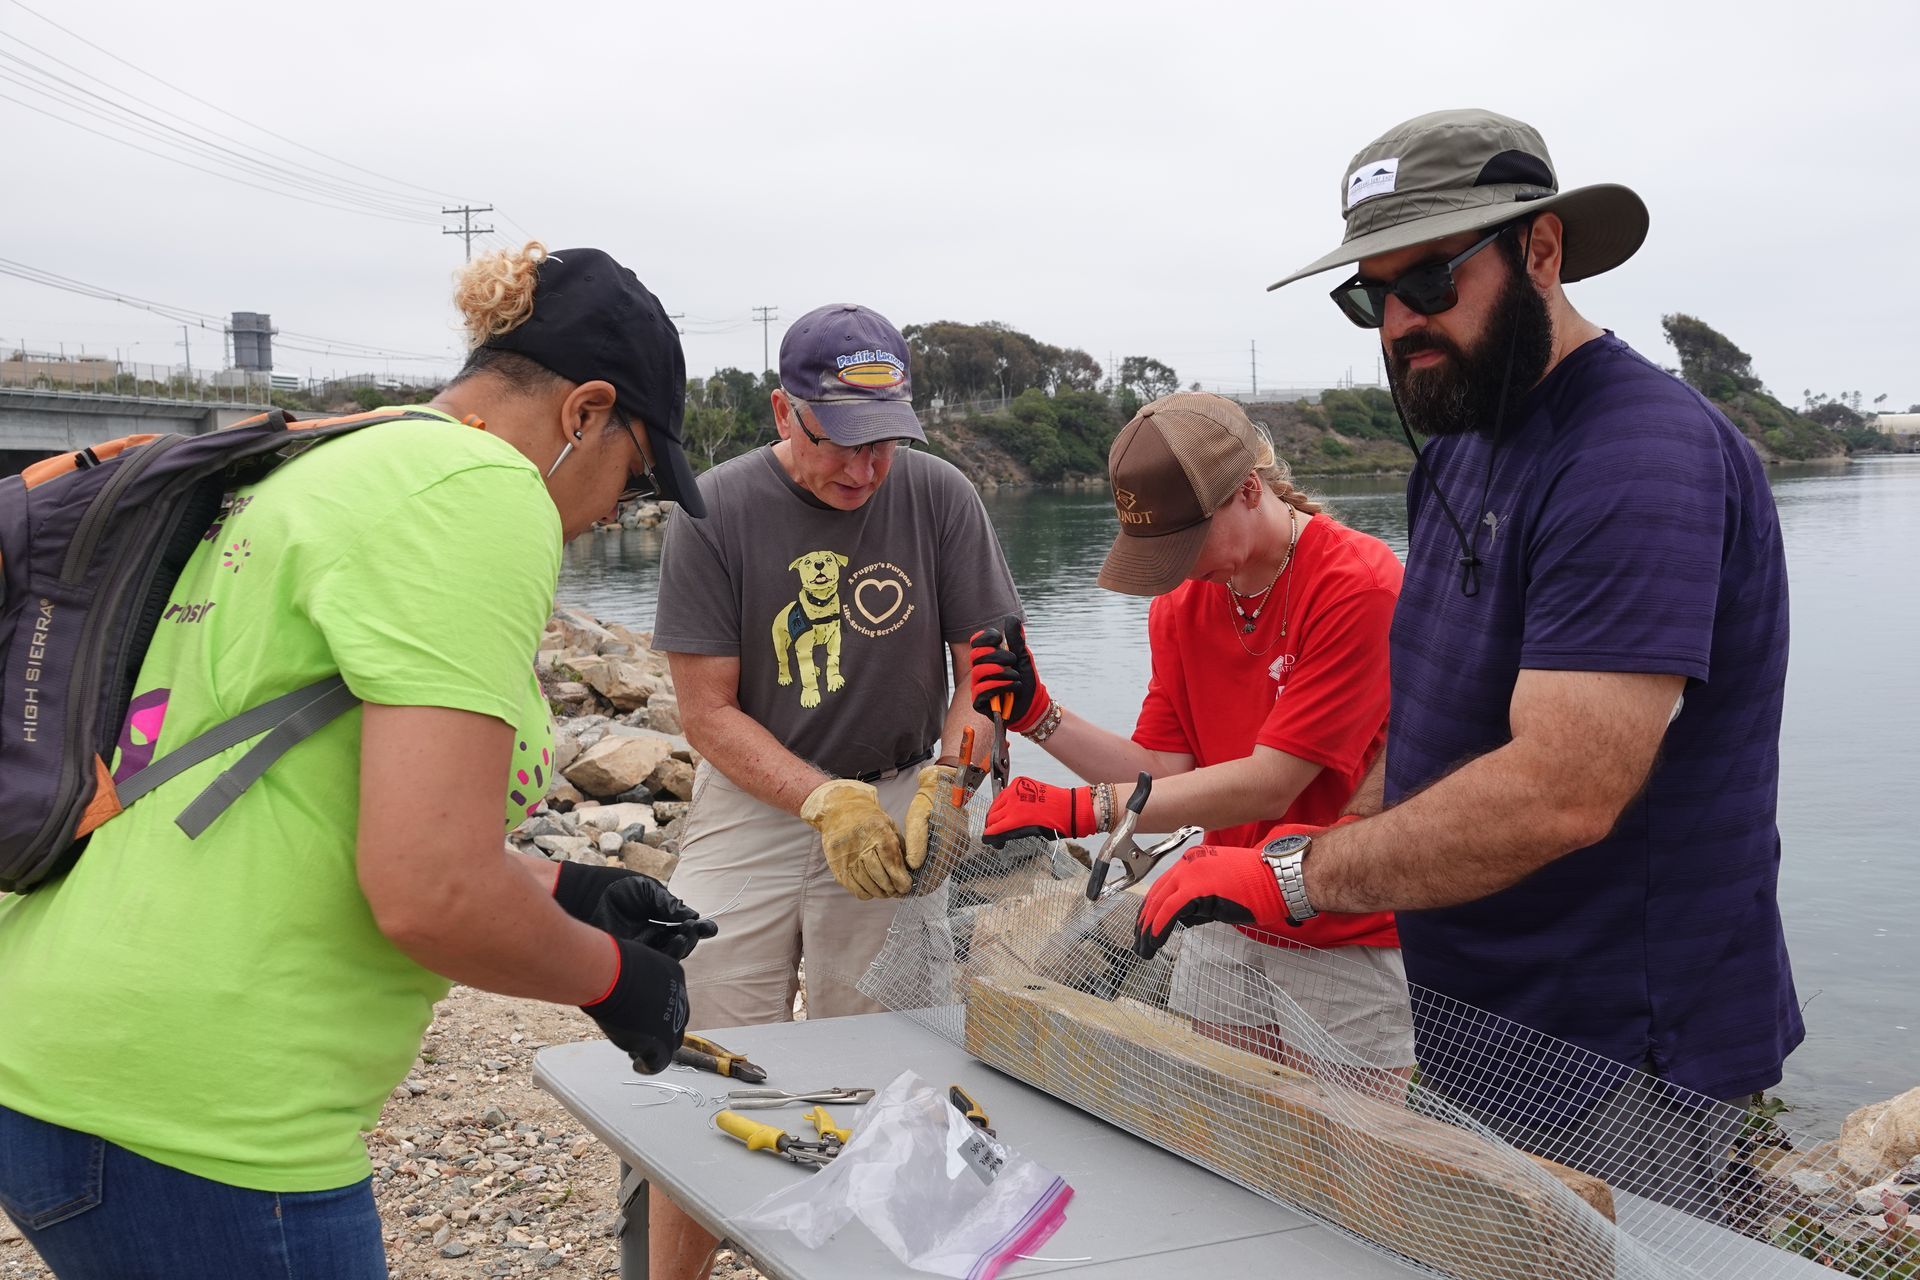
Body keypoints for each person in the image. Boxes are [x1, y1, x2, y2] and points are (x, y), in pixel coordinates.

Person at [0, 242, 714, 1279]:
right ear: (585, 412)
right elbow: (430, 893)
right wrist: (613, 981)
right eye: (636, 469)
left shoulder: (323, 459)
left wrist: (566, 885)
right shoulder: (477, 488)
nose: (617, 507)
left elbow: (290, 791)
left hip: (66, 1045)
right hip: (204, 1107)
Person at [1135, 109, 1800, 1205]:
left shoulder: (1638, 455)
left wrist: (1287, 873)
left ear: (1541, 250)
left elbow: (1562, 789)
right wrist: (1313, 846)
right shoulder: (1458, 446)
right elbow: (1429, 729)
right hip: (1470, 1013)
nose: (1400, 322)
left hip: (1621, 1048)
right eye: (1371, 295)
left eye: (1432, 280)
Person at [649, 302, 1021, 1278]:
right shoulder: (714, 509)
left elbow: (990, 664)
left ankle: (881, 1262)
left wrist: (955, 776)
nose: (863, 469)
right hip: (754, 802)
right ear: (784, 412)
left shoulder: (940, 497)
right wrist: (820, 798)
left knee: (891, 1068)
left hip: (902, 786)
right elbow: (706, 711)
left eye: (884, 445)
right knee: (701, 1060)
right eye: (839, 444)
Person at [970, 391, 1413, 1077]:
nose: (1173, 569)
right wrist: (1039, 717)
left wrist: (1084, 809)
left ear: (1247, 490)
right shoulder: (1182, 603)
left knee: (1347, 1167)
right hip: (1223, 914)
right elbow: (1160, 772)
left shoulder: (1356, 583)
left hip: (1340, 928)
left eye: (1185, 541)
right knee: (1224, 1143)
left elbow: (1274, 782)